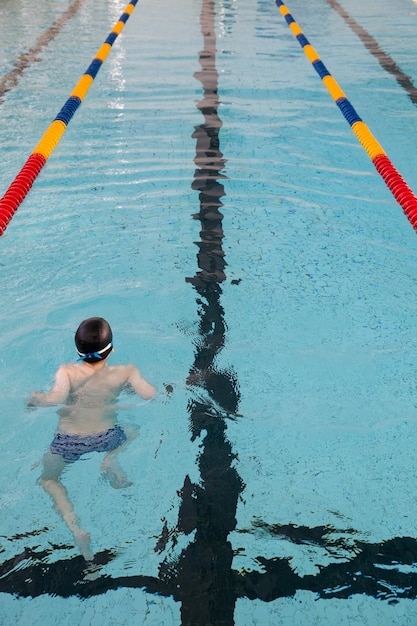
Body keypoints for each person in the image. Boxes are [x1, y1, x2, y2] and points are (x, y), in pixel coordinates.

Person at [28, 317, 157, 560]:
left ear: (77, 350)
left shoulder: (66, 371)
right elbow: (149, 394)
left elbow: (55, 399)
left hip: (69, 440)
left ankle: (77, 529)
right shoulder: (125, 372)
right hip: (107, 436)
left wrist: (35, 398)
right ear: (112, 349)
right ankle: (111, 459)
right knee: (133, 429)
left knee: (48, 480)